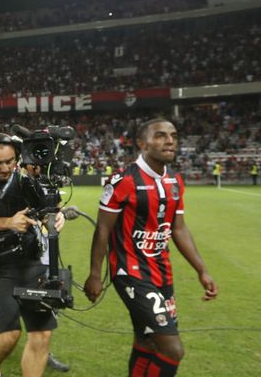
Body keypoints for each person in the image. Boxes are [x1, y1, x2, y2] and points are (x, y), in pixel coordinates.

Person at [84, 118, 218, 377]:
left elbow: (178, 229)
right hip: (131, 274)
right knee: (173, 349)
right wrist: (95, 274)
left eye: (173, 136)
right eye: (160, 135)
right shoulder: (122, 180)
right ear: (142, 143)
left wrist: (202, 270)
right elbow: (103, 229)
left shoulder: (176, 181)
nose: (169, 140)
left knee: (145, 341)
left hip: (162, 274)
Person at [0, 133, 66, 377]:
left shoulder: (25, 183)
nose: (5, 168)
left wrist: (57, 217)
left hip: (30, 262)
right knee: (9, 333)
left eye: (9, 162)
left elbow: (50, 208)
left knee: (42, 332)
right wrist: (8, 222)